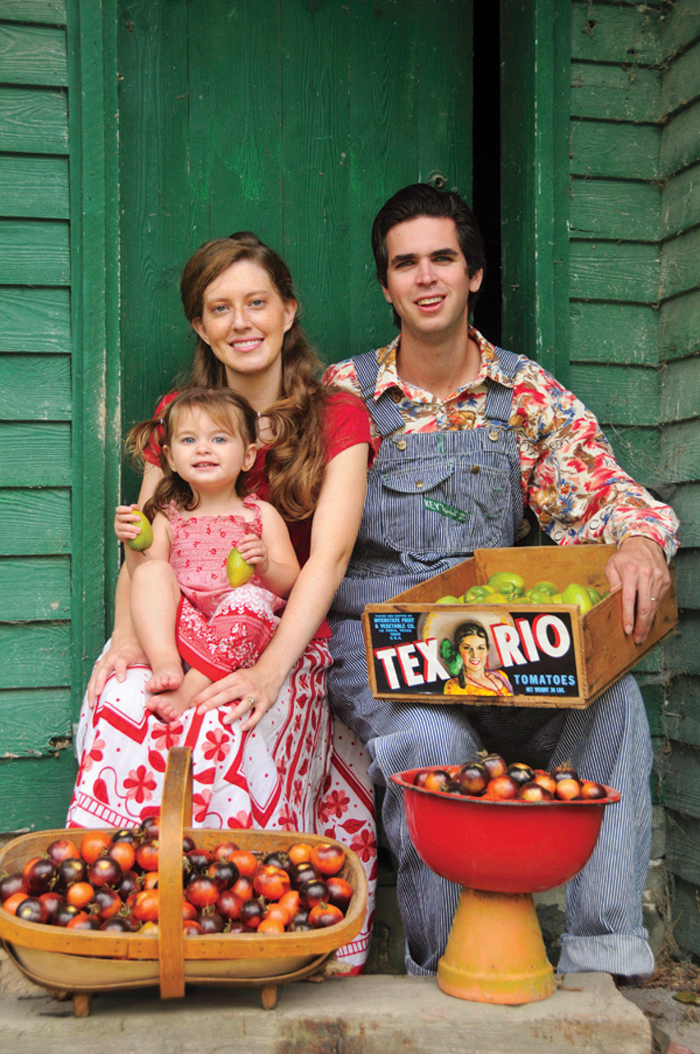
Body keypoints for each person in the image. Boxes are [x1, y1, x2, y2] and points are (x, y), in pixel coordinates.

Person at [323, 183, 679, 979]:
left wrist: (637, 544)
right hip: (383, 649)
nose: (425, 278)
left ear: (473, 273)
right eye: (404, 263)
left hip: (495, 645)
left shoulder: (524, 396)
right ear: (385, 285)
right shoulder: (343, 396)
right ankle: (442, 973)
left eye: (442, 258)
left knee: (613, 703)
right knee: (432, 743)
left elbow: (605, 491)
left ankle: (602, 958)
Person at [68, 232, 376, 971]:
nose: (241, 322)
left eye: (257, 303)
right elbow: (143, 545)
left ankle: (235, 926)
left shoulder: (336, 413)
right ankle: (119, 917)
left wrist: (271, 670)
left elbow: (326, 559)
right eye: (220, 308)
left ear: (288, 311)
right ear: (201, 326)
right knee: (121, 706)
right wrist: (124, 644)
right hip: (175, 625)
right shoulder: (182, 413)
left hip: (278, 633)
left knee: (224, 734)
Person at [115, 387, 300, 724]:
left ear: (248, 456)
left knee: (252, 599)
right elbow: (145, 577)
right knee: (152, 573)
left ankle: (190, 688)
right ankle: (166, 663)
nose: (202, 448)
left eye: (219, 439)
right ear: (170, 458)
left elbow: (290, 582)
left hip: (238, 630)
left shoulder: (260, 515)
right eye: (188, 441)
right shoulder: (169, 517)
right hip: (183, 626)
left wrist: (267, 566)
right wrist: (132, 544)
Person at [441, 621, 513, 697]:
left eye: (480, 648)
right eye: (467, 648)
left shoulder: (500, 675)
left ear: (487, 650)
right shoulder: (453, 686)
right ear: (458, 651)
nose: (474, 655)